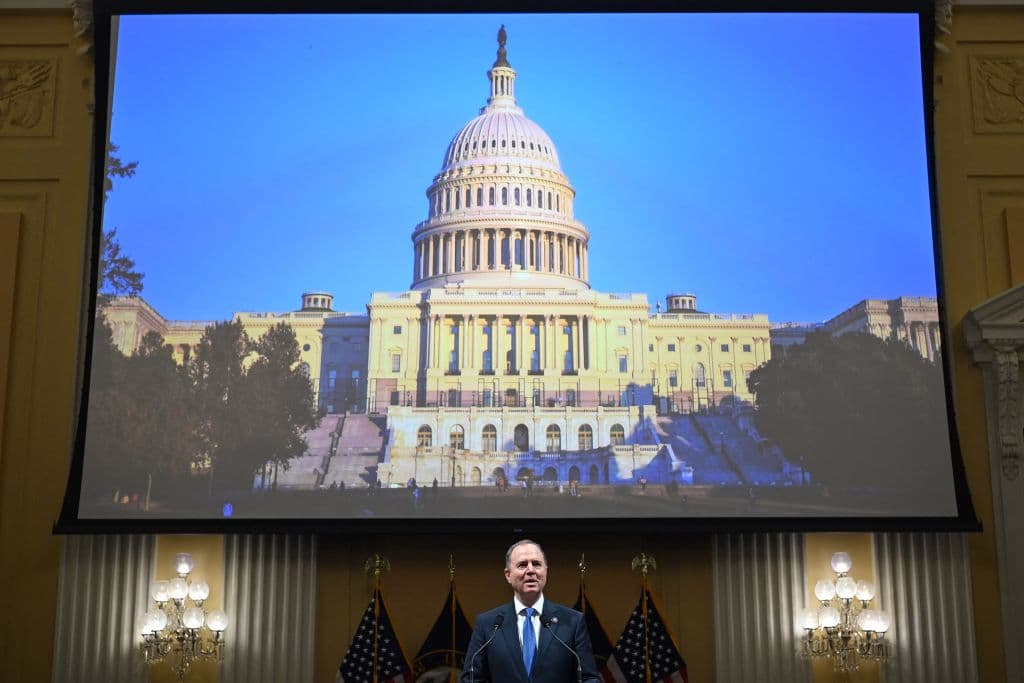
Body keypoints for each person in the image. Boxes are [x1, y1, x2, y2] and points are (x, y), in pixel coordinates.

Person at [461, 540, 600, 683]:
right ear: (508, 575)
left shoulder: (573, 621)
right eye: (522, 565)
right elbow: (471, 679)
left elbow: (589, 678)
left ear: (545, 571)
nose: (531, 570)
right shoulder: (488, 624)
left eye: (536, 564)